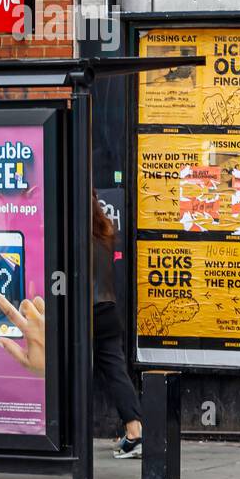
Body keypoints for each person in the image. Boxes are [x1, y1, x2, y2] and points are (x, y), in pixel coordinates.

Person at [92, 193, 144, 459]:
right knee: (116, 373)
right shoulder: (105, 235)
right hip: (109, 311)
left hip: (87, 314)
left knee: (67, 373)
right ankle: (135, 432)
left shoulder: (77, 236)